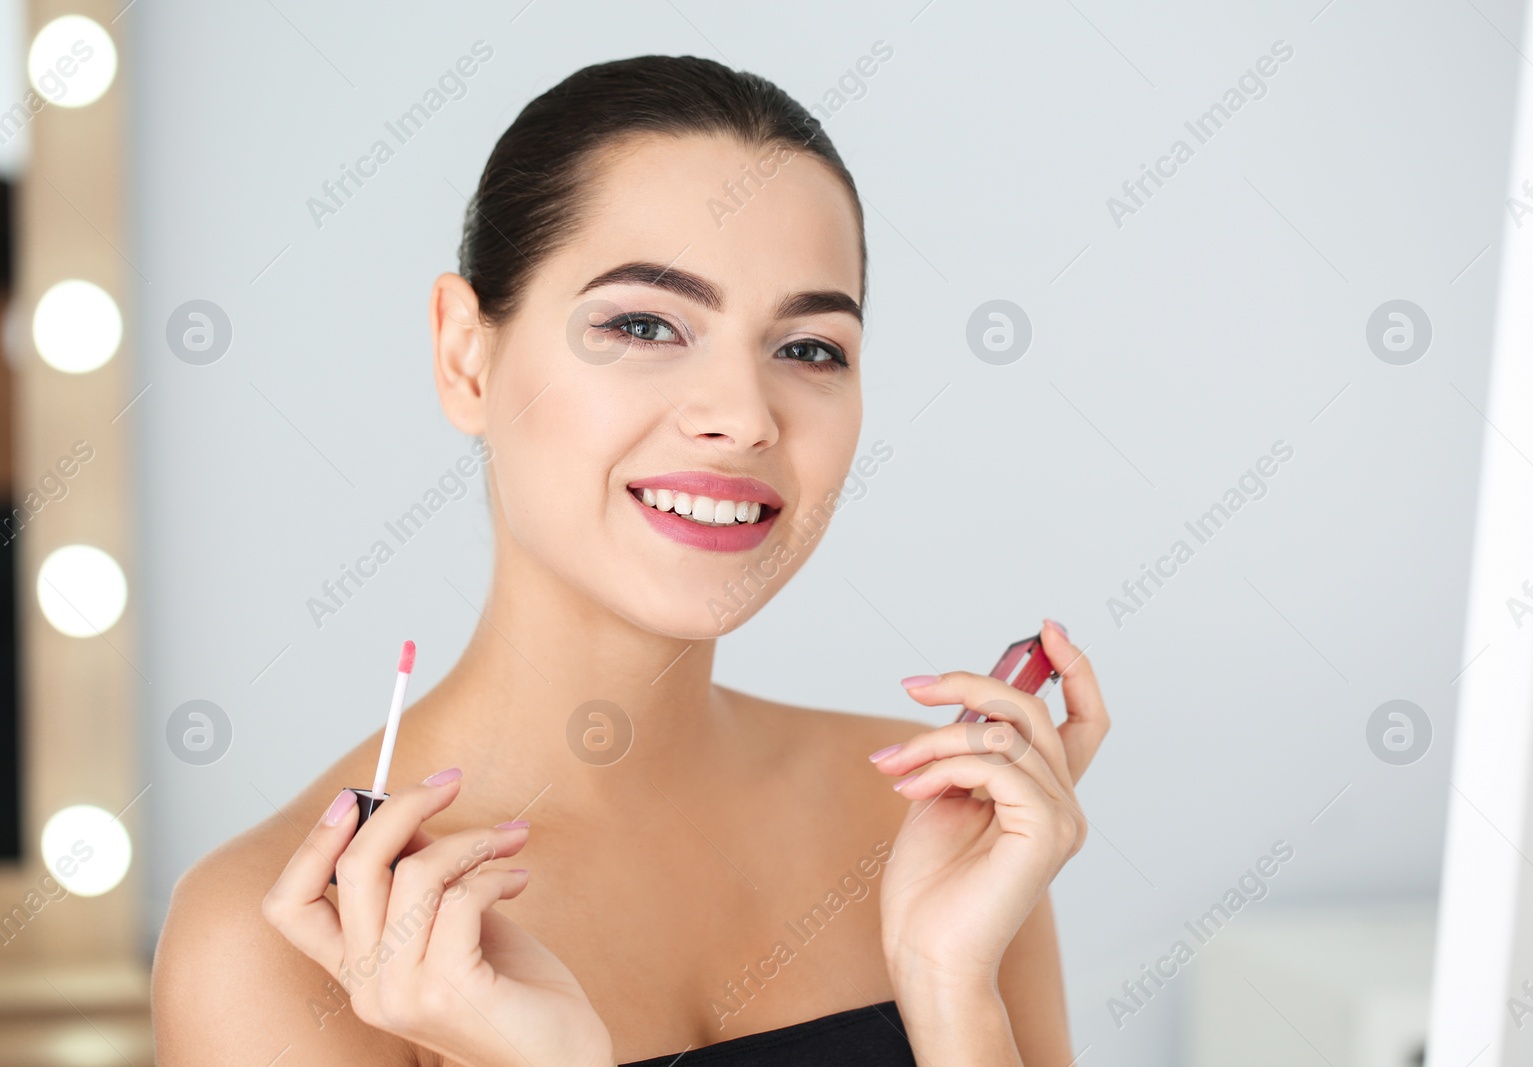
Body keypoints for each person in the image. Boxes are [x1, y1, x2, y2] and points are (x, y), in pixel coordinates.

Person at [151, 54, 1110, 1066]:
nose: (743, 417)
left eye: (809, 348)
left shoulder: (935, 825)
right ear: (465, 355)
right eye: (643, 324)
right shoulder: (282, 942)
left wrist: (950, 983)